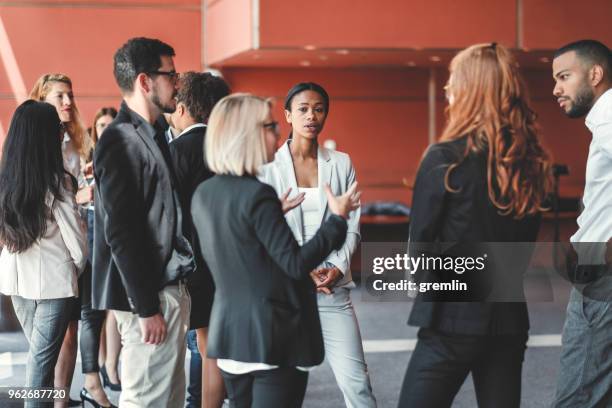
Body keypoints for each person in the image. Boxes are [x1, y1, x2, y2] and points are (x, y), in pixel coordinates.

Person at [397, 43, 552, 408]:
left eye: (453, 81)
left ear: (470, 89)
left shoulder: (444, 158)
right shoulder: (530, 164)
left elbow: (420, 248)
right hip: (508, 320)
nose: (448, 89)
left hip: (451, 319)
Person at [191, 93, 361, 407]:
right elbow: (295, 265)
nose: (278, 134)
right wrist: (337, 220)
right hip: (271, 337)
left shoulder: (206, 193)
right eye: (270, 126)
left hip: (230, 336)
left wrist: (269, 216)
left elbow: (235, 252)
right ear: (247, 134)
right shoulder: (257, 195)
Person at [259, 82, 377, 408]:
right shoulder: (267, 166)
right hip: (285, 292)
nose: (312, 115)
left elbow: (351, 224)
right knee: (280, 390)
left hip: (331, 289)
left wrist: (338, 267)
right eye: (303, 109)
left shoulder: (341, 163)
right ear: (287, 115)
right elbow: (265, 230)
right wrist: (300, 268)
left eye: (319, 109)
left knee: (358, 385)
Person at [92, 37, 194, 408]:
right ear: (145, 81)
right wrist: (146, 308)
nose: (178, 83)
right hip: (149, 298)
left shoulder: (154, 134)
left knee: (167, 400)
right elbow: (120, 231)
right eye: (171, 74)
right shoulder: (119, 139)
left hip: (167, 290)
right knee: (145, 401)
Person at [0, 100, 88, 408]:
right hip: (55, 283)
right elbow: (77, 244)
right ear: (45, 135)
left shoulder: (6, 180)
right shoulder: (58, 181)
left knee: (41, 361)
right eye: (59, 128)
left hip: (16, 283)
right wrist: (74, 268)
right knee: (40, 366)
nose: (62, 134)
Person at [29, 73, 107, 408]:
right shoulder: (30, 141)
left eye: (71, 95)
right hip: (44, 252)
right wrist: (76, 197)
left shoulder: (77, 142)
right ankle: (43, 399)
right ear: (43, 98)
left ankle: (60, 400)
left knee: (72, 329)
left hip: (78, 245)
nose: (68, 102)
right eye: (60, 96)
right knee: (47, 339)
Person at [551, 39, 612, 408]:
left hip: (602, 274)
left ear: (595, 74)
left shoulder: (608, 117)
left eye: (564, 76)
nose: (556, 88)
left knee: (578, 396)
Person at [168, 71, 230, 408]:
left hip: (192, 262)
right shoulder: (228, 150)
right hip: (227, 257)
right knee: (215, 346)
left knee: (206, 348)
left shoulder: (175, 151)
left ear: (182, 107)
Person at [87, 107, 124, 395]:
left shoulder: (123, 157)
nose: (106, 128)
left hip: (113, 237)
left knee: (112, 304)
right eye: (101, 124)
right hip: (87, 237)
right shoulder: (86, 162)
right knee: (94, 309)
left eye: (111, 124)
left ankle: (111, 365)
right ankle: (99, 362)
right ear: (94, 129)